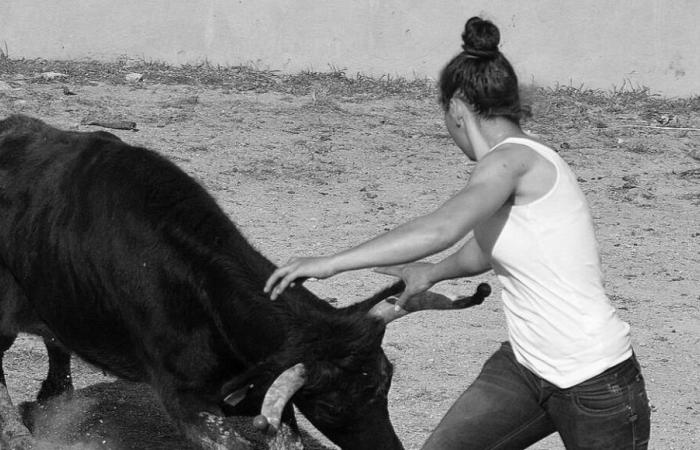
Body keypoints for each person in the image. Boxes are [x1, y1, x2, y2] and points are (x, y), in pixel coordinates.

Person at [264, 16, 650, 450]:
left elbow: (443, 226)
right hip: (525, 369)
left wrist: (329, 263)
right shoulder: (519, 164)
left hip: (598, 384)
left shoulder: (512, 161)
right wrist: (433, 272)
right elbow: (489, 249)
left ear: (457, 109)